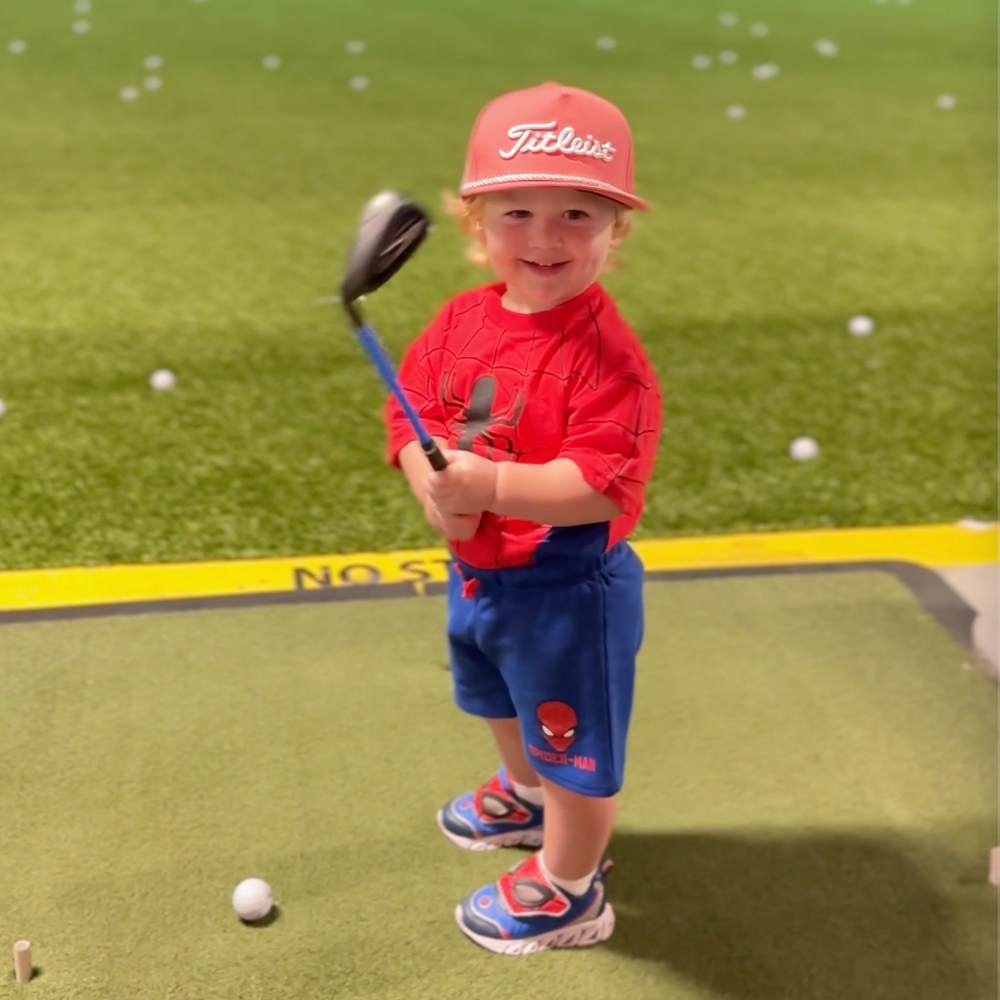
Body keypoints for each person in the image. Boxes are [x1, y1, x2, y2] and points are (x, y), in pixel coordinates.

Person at [383, 81, 663, 956]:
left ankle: (570, 886)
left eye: (576, 212)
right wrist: (428, 480)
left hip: (567, 595)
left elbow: (599, 482)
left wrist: (491, 484)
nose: (545, 237)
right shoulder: (462, 321)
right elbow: (413, 417)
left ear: (616, 227)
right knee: (496, 697)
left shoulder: (608, 359)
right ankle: (525, 794)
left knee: (575, 750)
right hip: (480, 575)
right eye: (518, 212)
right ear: (477, 221)